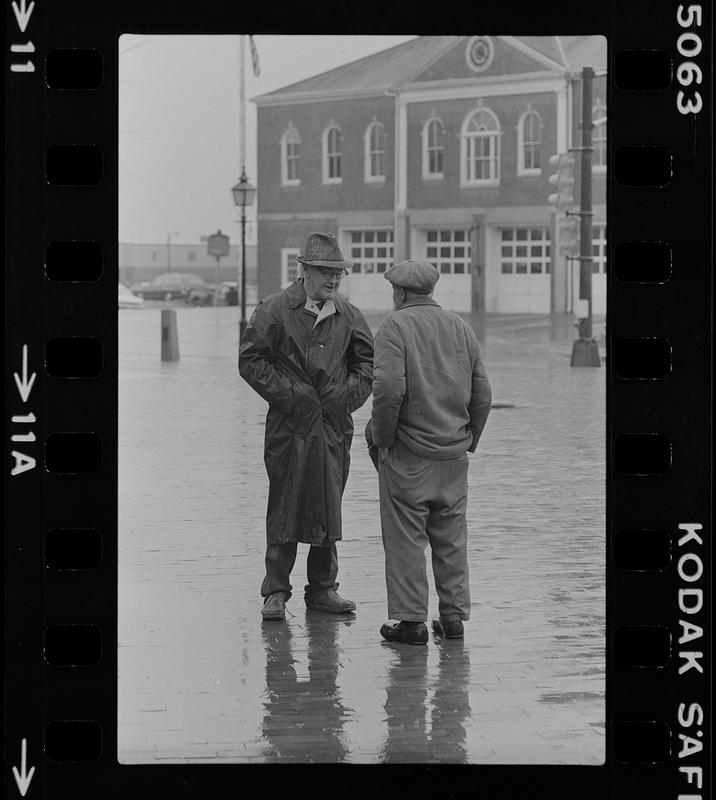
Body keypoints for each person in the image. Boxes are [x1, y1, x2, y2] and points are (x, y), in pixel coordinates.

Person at [239, 232, 374, 621]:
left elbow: (368, 365)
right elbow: (251, 360)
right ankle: (275, 592)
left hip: (332, 428)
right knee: (285, 502)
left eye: (338, 274)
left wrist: (345, 398)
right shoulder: (275, 310)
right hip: (289, 427)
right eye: (326, 273)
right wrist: (291, 397)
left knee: (328, 502)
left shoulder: (349, 315)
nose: (333, 281)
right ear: (305, 272)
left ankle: (322, 589)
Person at [367, 259, 491, 645]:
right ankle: (453, 619)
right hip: (453, 455)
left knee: (406, 537)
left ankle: (410, 623)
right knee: (451, 537)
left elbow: (387, 390)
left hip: (409, 455)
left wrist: (383, 440)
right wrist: (470, 438)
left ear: (400, 293)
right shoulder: (460, 326)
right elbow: (483, 395)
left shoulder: (395, 326)